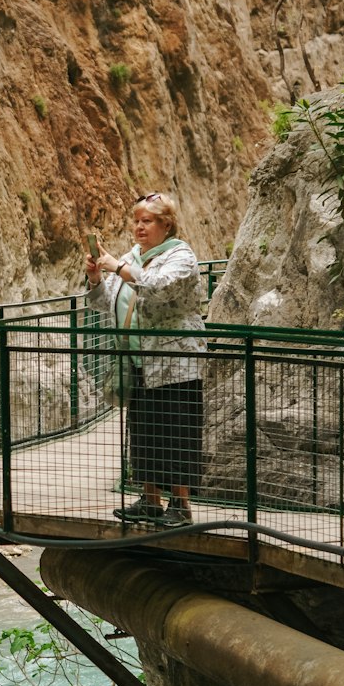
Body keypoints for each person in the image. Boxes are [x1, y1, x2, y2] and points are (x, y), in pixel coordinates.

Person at [84, 192, 206, 527]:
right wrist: (96, 277)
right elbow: (106, 302)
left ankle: (180, 506)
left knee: (177, 433)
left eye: (147, 220)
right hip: (139, 362)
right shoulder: (133, 256)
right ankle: (150, 500)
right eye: (136, 220)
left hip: (175, 361)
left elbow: (159, 286)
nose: (139, 226)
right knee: (144, 433)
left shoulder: (181, 256)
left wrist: (119, 267)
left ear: (166, 224)